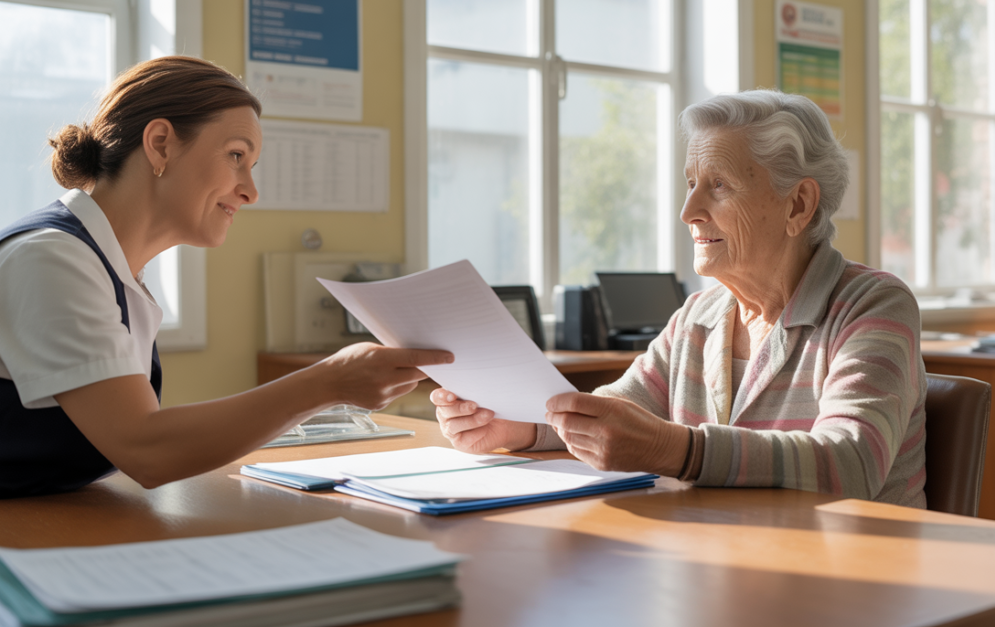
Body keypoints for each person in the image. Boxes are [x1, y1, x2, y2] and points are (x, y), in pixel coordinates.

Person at [433, 90, 926, 508]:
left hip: (855, 583)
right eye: (692, 184)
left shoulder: (874, 305)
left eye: (719, 186)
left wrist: (676, 450)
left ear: (798, 204)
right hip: (730, 566)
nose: (689, 210)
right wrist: (519, 427)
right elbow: (613, 412)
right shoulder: (700, 315)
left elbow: (850, 462)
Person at [0, 56, 452, 499]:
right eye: (236, 155)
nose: (251, 192)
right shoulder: (51, 259)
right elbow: (146, 448)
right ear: (160, 144)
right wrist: (329, 382)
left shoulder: (110, 268)